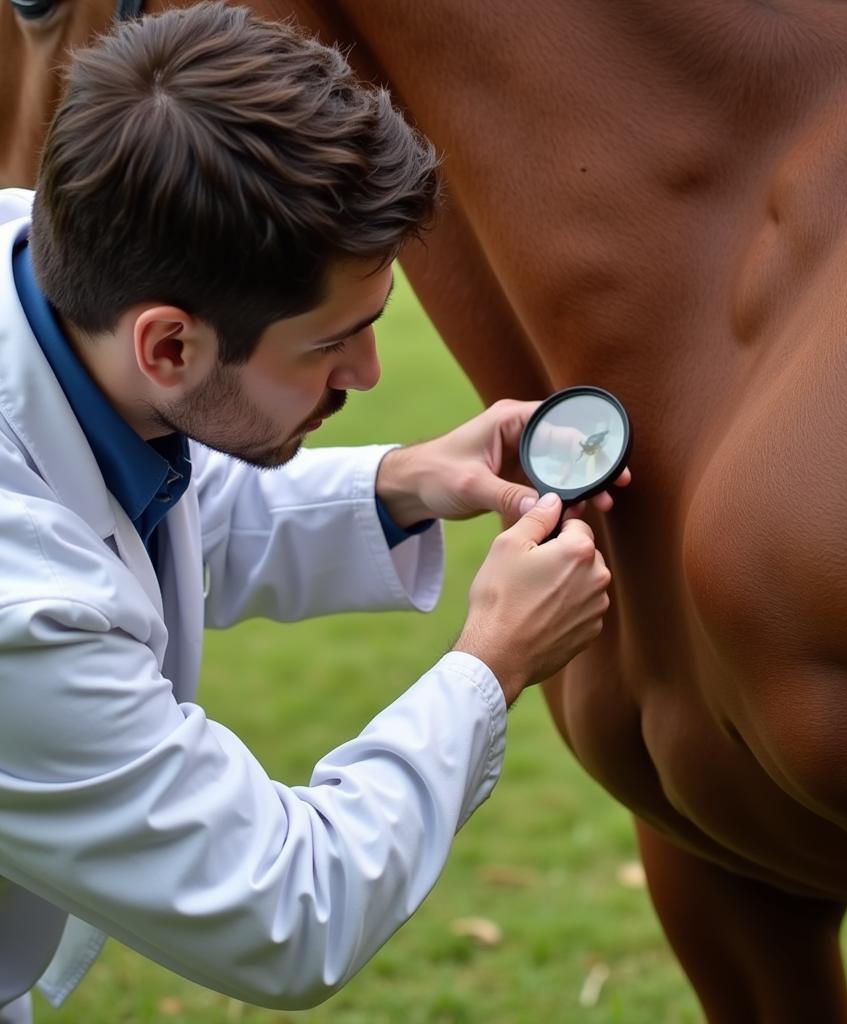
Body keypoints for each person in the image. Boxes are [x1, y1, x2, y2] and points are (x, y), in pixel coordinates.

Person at [0, 4, 627, 1020]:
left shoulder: (35, 257)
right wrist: (490, 662)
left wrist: (405, 480)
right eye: (335, 340)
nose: (372, 373)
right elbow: (285, 911)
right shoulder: (19, 606)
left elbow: (147, 509)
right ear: (168, 346)